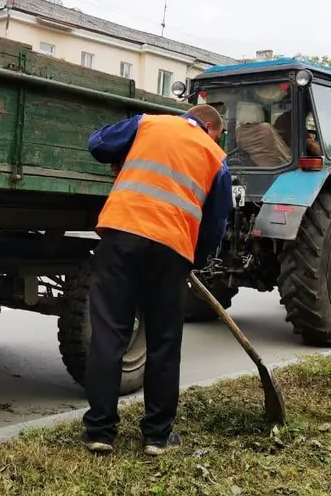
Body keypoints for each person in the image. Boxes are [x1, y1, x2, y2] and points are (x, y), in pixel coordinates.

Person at [82, 104, 233, 456]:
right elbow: (216, 223)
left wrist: (122, 153)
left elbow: (97, 144)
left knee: (108, 335)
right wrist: (195, 260)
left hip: (121, 235)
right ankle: (156, 436)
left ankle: (100, 432)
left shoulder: (147, 124)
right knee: (164, 342)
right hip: (171, 251)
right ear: (210, 127)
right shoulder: (216, 157)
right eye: (219, 134)